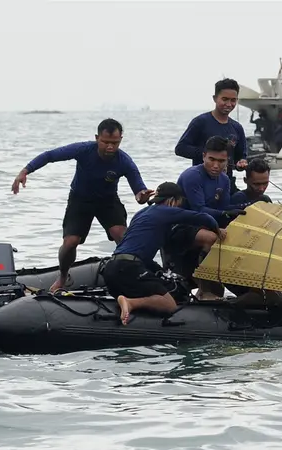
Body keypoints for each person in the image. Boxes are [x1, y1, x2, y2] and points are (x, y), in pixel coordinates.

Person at [10, 118, 155, 293]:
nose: (110, 147)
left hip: (108, 201)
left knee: (121, 236)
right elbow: (50, 156)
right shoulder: (84, 150)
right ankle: (63, 276)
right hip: (80, 200)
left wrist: (142, 196)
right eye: (106, 142)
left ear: (121, 140)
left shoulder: (124, 161)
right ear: (97, 138)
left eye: (115, 143)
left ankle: (130, 277)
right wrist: (25, 171)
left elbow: (139, 193)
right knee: (71, 242)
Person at [102, 182, 222, 325]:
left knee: (156, 285)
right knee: (169, 304)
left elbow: (142, 254)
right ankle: (130, 303)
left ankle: (127, 303)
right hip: (129, 267)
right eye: (180, 203)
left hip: (111, 268)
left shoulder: (141, 214)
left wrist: (159, 271)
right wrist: (218, 230)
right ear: (173, 200)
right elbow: (204, 218)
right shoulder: (166, 210)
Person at [165, 136, 249, 300]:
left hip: (205, 224)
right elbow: (199, 210)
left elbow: (222, 209)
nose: (216, 165)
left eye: (221, 161)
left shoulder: (224, 180)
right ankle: (203, 289)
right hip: (180, 227)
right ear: (203, 156)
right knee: (212, 238)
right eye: (211, 159)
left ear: (227, 160)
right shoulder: (192, 176)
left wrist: (244, 209)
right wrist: (224, 214)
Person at [174, 78, 249, 194]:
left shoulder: (237, 128)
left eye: (233, 100)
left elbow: (240, 157)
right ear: (215, 98)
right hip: (202, 184)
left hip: (227, 184)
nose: (229, 104)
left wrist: (241, 164)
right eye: (224, 99)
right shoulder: (200, 122)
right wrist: (209, 155)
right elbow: (180, 149)